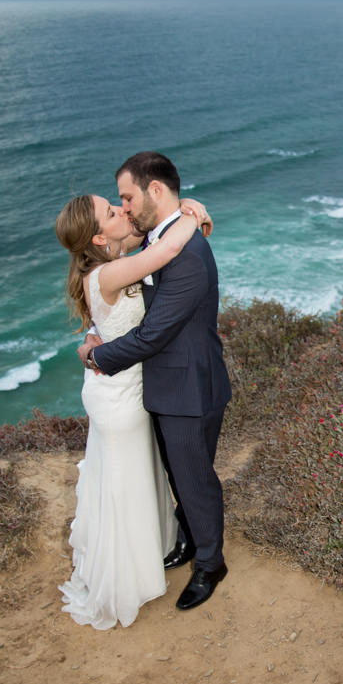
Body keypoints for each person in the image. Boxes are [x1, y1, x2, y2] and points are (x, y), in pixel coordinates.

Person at [78, 151, 232, 612]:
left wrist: (97, 357)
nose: (125, 208)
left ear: (155, 191)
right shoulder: (158, 240)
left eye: (127, 198)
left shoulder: (184, 256)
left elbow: (152, 334)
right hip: (166, 387)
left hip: (189, 389)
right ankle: (189, 539)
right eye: (118, 204)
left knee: (195, 480)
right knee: (179, 477)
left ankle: (210, 563)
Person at [53, 189, 212, 629]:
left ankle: (151, 556)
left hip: (120, 387)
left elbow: (97, 328)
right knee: (126, 485)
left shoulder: (103, 271)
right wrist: (192, 213)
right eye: (111, 211)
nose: (123, 210)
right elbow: (170, 247)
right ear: (101, 239)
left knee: (134, 479)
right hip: (120, 398)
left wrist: (87, 346)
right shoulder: (111, 273)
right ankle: (124, 580)